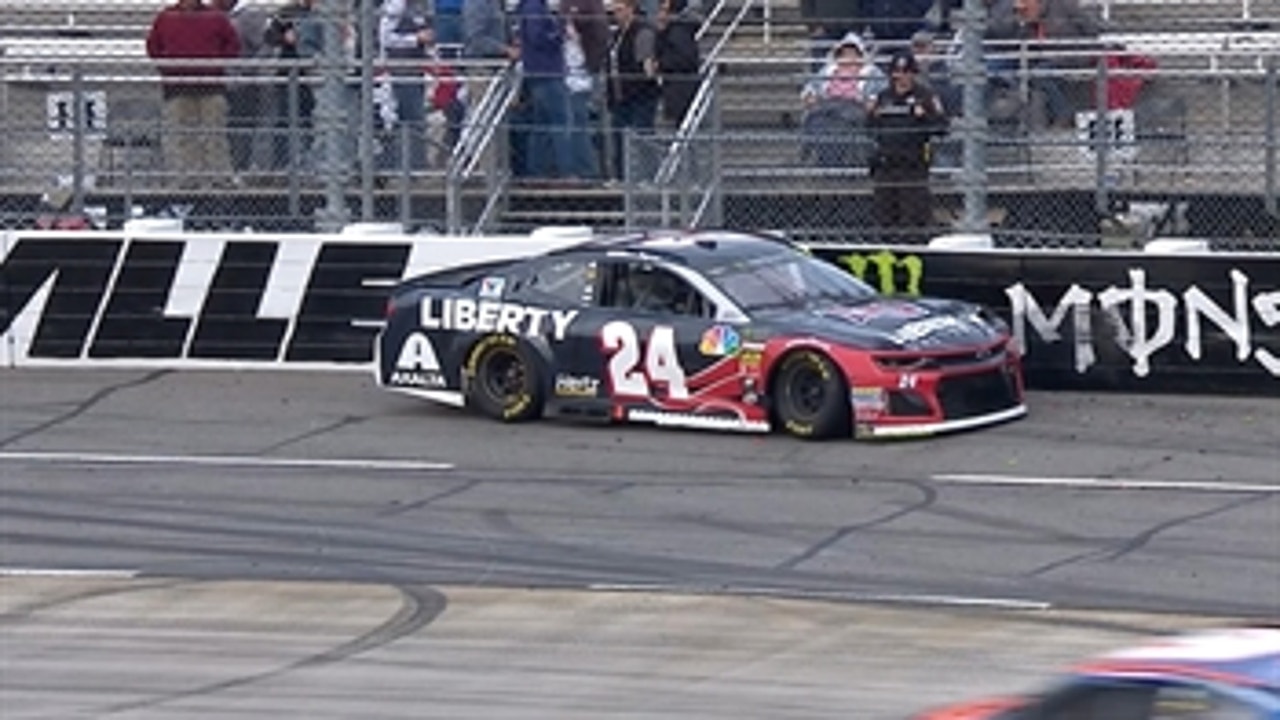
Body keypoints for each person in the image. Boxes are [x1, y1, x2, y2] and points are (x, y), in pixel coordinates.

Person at [145, 0, 241, 189]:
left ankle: (219, 178)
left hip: (211, 85)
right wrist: (167, 67)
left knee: (214, 133)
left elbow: (233, 44)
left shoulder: (214, 17)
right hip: (178, 85)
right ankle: (188, 179)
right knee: (184, 134)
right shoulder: (166, 17)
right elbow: (153, 46)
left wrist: (216, 63)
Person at [867, 51, 947, 243]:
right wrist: (871, 115)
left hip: (913, 164)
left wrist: (924, 117)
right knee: (884, 212)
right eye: (897, 72)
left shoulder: (925, 96)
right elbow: (869, 129)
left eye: (906, 72)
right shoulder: (883, 97)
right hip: (886, 163)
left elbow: (942, 127)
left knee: (913, 214)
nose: (901, 76)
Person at [987, 0, 1101, 129]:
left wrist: (1085, 48)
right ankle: (1012, 118)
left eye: (1027, 6)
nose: (1023, 10)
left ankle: (1064, 114)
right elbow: (1019, 42)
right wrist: (1022, 24)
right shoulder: (1029, 23)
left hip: (1072, 56)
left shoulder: (1063, 6)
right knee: (1021, 73)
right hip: (1043, 59)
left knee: (1039, 74)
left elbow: (1091, 28)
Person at [799, 32, 884, 168]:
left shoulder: (871, 72)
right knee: (818, 121)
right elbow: (811, 88)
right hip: (827, 105)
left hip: (855, 106)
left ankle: (845, 163)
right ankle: (825, 161)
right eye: (844, 54)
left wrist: (872, 101)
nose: (848, 58)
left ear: (860, 55)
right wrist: (810, 96)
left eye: (853, 54)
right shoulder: (829, 70)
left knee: (844, 122)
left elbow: (880, 92)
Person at [213, 0, 269, 181]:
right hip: (218, 83)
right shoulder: (212, 14)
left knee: (241, 128)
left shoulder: (250, 16)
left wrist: (245, 70)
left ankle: (240, 170)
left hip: (243, 85)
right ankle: (224, 172)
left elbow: (265, 47)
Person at [264, 0, 322, 173]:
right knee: (285, 117)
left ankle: (309, 161)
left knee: (310, 118)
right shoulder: (288, 12)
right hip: (290, 72)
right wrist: (284, 38)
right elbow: (269, 36)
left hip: (316, 73)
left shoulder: (326, 13)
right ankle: (282, 163)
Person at [517, 0, 572, 179]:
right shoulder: (535, 6)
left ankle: (538, 171)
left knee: (541, 125)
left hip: (537, 71)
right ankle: (564, 171)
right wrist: (560, 33)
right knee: (559, 122)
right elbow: (538, 37)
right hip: (547, 71)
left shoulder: (532, 6)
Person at [379, 0, 435, 174]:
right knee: (408, 118)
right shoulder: (396, 5)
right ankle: (404, 168)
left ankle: (415, 167)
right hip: (400, 70)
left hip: (417, 70)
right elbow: (385, 39)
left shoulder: (424, 5)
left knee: (416, 119)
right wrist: (415, 39)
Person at [606, 0, 659, 182]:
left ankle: (649, 176)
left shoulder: (642, 31)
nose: (615, 15)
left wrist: (647, 76)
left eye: (619, 10)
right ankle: (620, 176)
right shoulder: (617, 34)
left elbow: (646, 63)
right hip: (620, 94)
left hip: (640, 94)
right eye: (613, 11)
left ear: (630, 9)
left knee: (643, 135)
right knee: (618, 137)